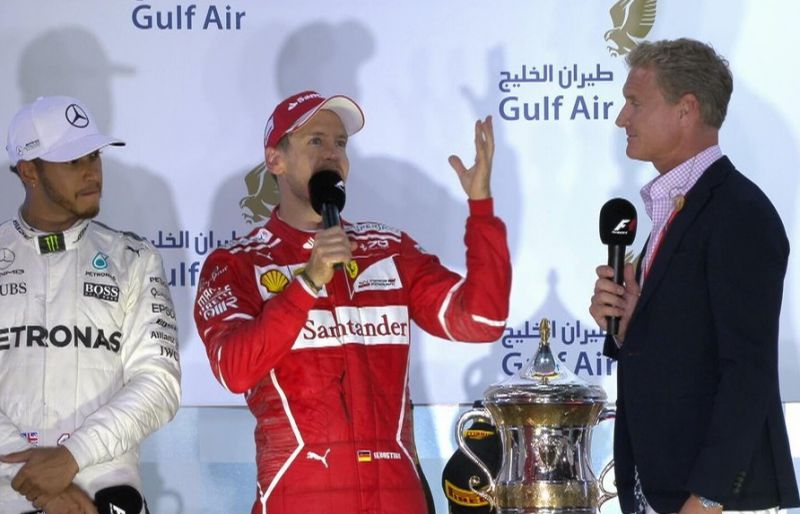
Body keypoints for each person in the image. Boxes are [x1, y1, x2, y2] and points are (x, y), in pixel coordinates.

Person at [193, 90, 511, 514]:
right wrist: (308, 282)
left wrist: (481, 209)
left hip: (397, 497)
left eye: (340, 143)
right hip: (301, 497)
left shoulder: (387, 249)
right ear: (275, 160)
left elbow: (482, 320)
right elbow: (234, 369)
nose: (332, 154)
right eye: (315, 141)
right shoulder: (237, 263)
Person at [589, 39, 800, 514]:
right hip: (660, 491)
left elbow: (748, 370)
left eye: (635, 103)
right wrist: (628, 324)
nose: (622, 118)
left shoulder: (739, 213)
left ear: (686, 109)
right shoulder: (677, 209)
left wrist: (708, 497)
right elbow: (691, 345)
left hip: (715, 501)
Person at [0, 96, 181, 514]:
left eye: (94, 156)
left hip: (104, 489)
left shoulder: (134, 258)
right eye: (72, 160)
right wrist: (39, 482)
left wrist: (72, 458)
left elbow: (159, 382)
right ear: (29, 170)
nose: (91, 172)